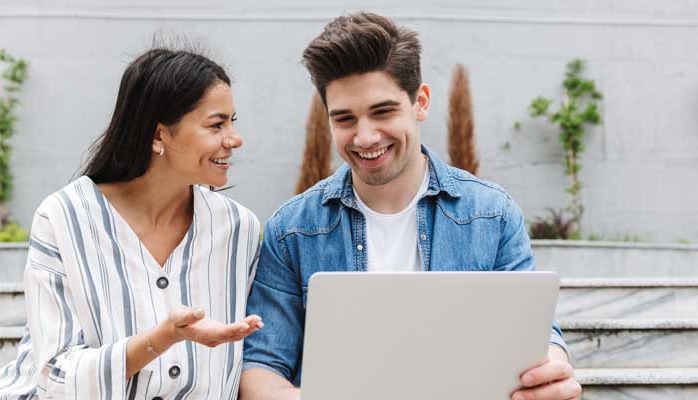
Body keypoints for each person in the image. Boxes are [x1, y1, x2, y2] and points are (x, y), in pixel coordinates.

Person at [240, 12, 581, 400]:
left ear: (420, 102)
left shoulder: (493, 214)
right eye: (345, 119)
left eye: (382, 112)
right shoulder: (291, 229)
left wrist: (551, 370)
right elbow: (260, 370)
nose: (365, 137)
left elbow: (535, 336)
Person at [0, 47, 263, 399]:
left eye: (233, 121)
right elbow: (56, 375)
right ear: (158, 135)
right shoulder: (64, 219)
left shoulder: (238, 228)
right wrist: (163, 337)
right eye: (216, 124)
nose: (234, 139)